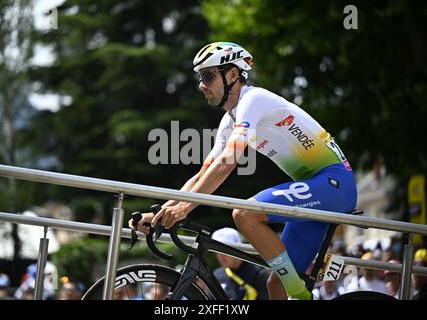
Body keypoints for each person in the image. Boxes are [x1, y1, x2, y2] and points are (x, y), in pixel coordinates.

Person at [129, 42, 357, 300]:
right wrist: (162, 211)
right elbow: (202, 175)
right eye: (200, 77)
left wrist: (185, 209)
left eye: (208, 76)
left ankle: (304, 297)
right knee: (276, 286)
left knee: (245, 214)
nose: (202, 84)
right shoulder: (229, 121)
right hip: (316, 190)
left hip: (334, 183)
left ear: (233, 75)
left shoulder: (254, 99)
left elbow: (228, 161)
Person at [211, 227, 270, 300]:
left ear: (238, 249)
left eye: (226, 250)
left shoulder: (260, 274)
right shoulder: (216, 276)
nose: (221, 255)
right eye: (218, 251)